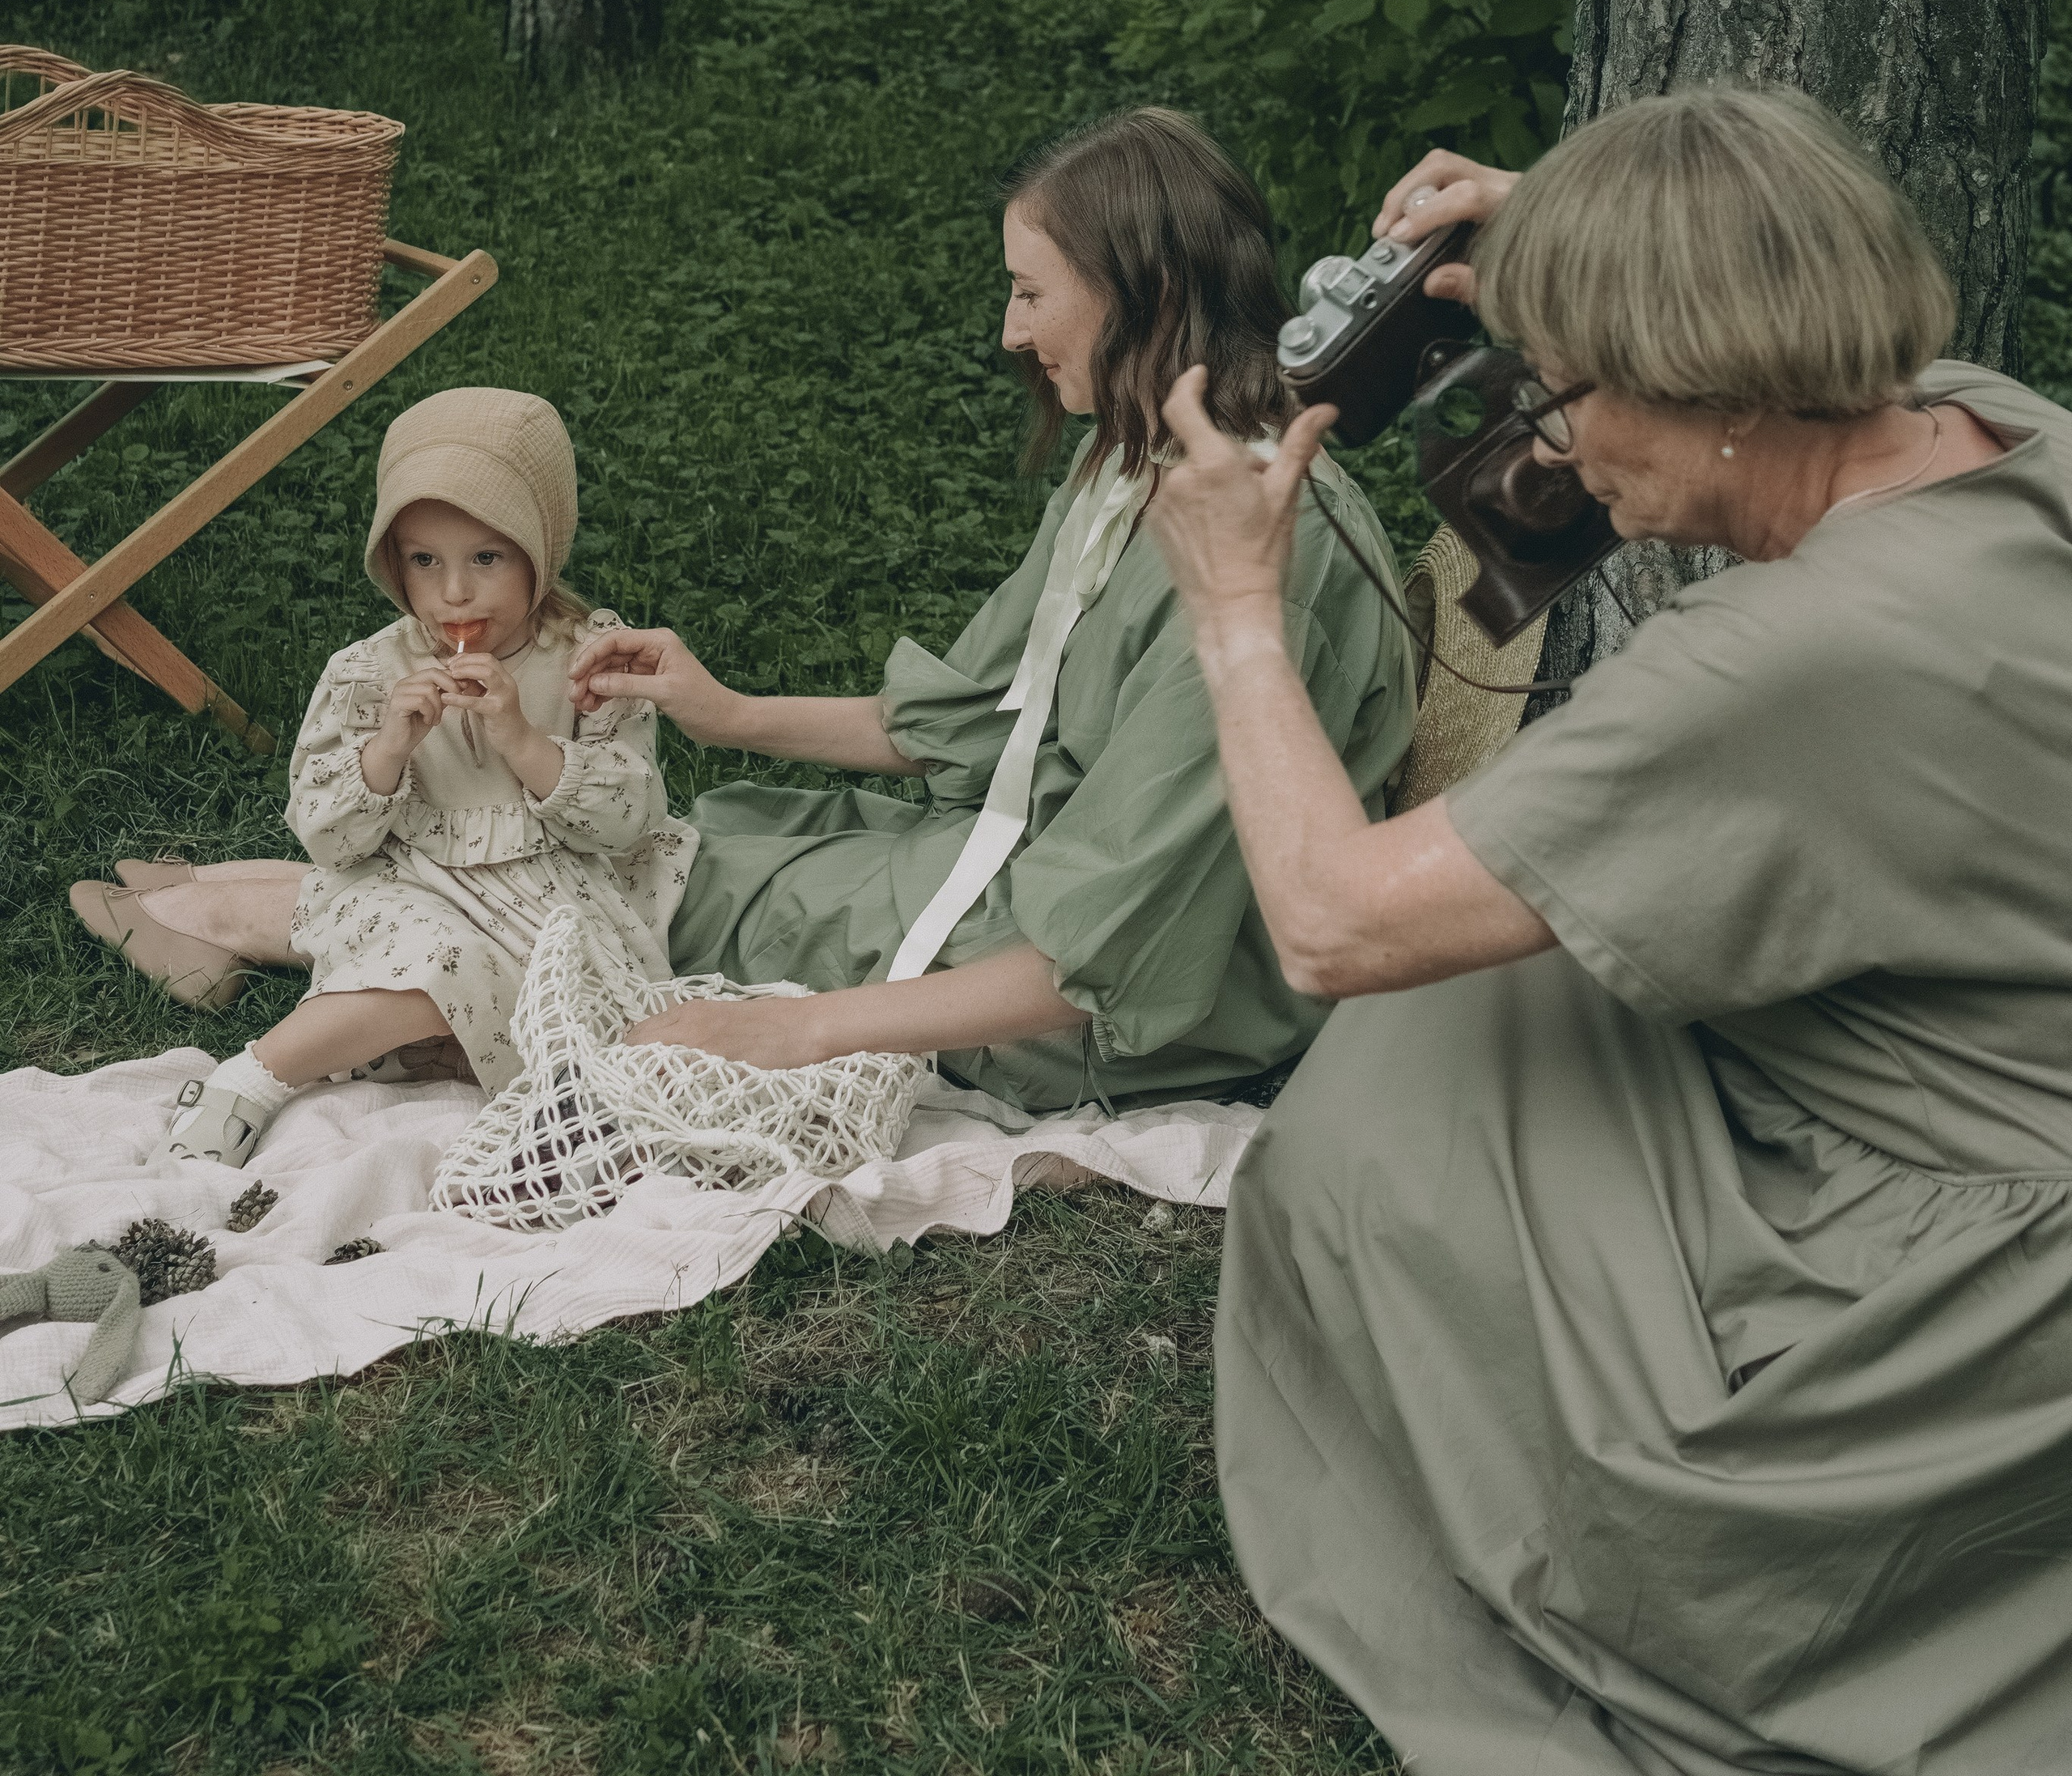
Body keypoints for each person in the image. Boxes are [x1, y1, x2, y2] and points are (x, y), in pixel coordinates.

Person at [1147, 85, 2072, 1775]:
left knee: (1409, 1064)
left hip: (1984, 1322)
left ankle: (1627, 1547)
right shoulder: (1994, 428)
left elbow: (1334, 924)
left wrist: (1229, 605)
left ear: (1707, 386)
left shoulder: (1775, 664)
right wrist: (1584, 255)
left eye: (1570, 394)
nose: (1552, 444)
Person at [79, 108, 1418, 1118]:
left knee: (634, 889)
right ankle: (228, 904)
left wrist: (797, 1034)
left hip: (1100, 997)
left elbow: (1103, 949)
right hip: (1005, 874)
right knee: (692, 841)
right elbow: (978, 722)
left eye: (1029, 291)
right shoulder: (1139, 466)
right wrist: (725, 712)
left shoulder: (1255, 556)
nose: (1010, 332)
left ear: (1150, 294)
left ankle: (236, 921)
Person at [84, 389, 697, 1170]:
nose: (455, 594)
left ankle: (190, 902)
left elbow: (627, 815)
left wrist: (519, 736)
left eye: (487, 558)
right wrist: (389, 747)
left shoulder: (588, 656)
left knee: (545, 1001)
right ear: (391, 559)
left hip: (557, 895)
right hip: (410, 887)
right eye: (424, 561)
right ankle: (252, 1077)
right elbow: (327, 832)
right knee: (436, 959)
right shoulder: (371, 675)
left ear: (540, 549)